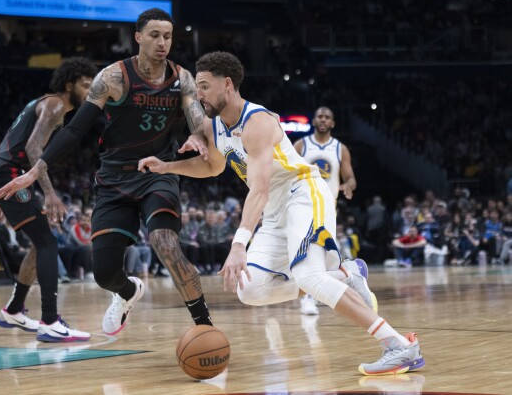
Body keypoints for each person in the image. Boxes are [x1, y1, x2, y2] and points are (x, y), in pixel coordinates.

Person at [138, 51, 424, 376]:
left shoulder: (257, 122)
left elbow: (257, 189)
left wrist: (238, 245)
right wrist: (168, 167)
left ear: (227, 85)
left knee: (309, 277)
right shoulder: (214, 126)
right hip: (275, 209)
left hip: (303, 193)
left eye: (204, 86)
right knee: (249, 289)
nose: (199, 94)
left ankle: (399, 346)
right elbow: (212, 166)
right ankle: (345, 275)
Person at [0, 8, 214, 336]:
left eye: (167, 36)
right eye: (155, 35)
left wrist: (199, 133)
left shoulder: (182, 78)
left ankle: (205, 327)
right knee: (104, 274)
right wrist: (34, 172)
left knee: (164, 241)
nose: (162, 42)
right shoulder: (112, 78)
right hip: (114, 179)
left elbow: (197, 116)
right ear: (138, 37)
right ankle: (127, 293)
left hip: (158, 172)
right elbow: (73, 131)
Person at [0, 57, 98, 342]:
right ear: (69, 84)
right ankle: (49, 321)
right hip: (7, 172)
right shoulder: (56, 105)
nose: (90, 92)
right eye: (86, 86)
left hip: (5, 172)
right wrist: (48, 193)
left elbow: (15, 144)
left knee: (40, 242)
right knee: (48, 242)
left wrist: (6, 191)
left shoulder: (45, 103)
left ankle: (14, 309)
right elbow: (33, 149)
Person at [293, 106, 357, 315]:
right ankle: (309, 297)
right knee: (309, 256)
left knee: (328, 259)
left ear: (333, 123)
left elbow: (350, 177)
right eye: (319, 116)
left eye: (327, 117)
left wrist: (348, 186)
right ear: (314, 121)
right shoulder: (301, 145)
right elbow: (286, 172)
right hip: (303, 206)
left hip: (329, 209)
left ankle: (319, 290)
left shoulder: (340, 149)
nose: (323, 120)